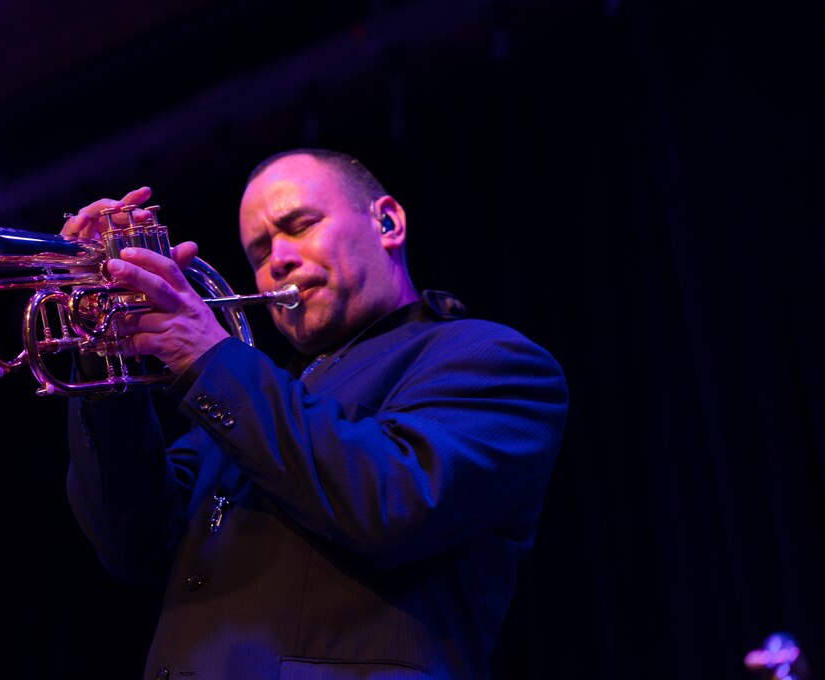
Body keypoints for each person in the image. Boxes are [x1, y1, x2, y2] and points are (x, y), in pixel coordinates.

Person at [59, 148, 569, 679]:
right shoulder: (243, 406)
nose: (276, 260)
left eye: (299, 226)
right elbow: (133, 544)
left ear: (388, 222)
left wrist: (205, 356)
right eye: (258, 252)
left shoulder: (492, 361)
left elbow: (394, 501)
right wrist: (105, 347)